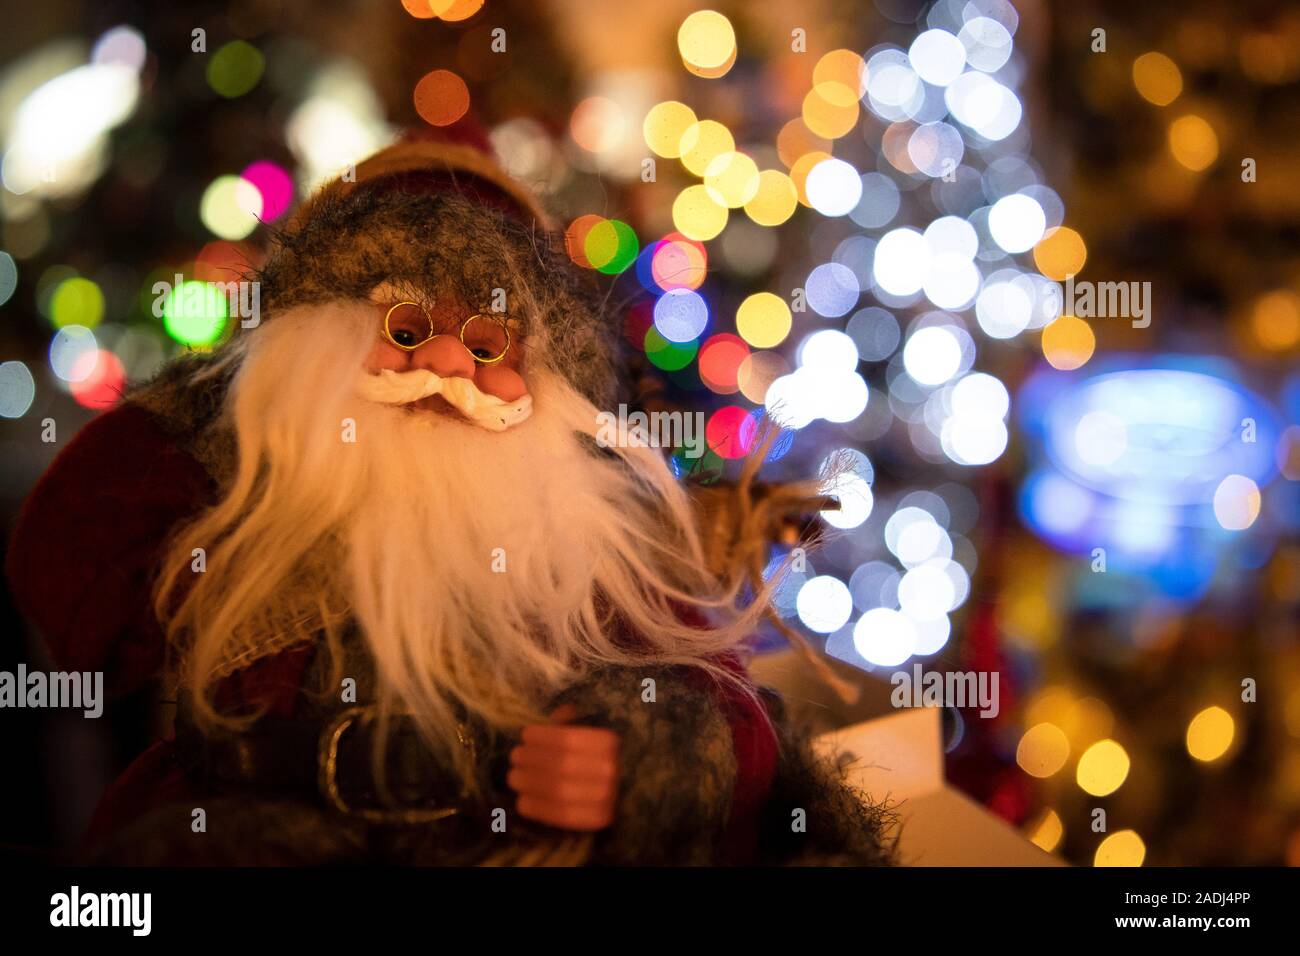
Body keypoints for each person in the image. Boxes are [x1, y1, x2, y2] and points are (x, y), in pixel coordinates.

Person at [7, 126, 892, 865]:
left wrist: (636, 760)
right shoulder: (233, 517)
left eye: (487, 344)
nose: (441, 365)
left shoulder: (582, 537)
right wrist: (227, 402)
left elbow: (723, 704)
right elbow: (64, 576)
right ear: (312, 350)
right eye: (403, 328)